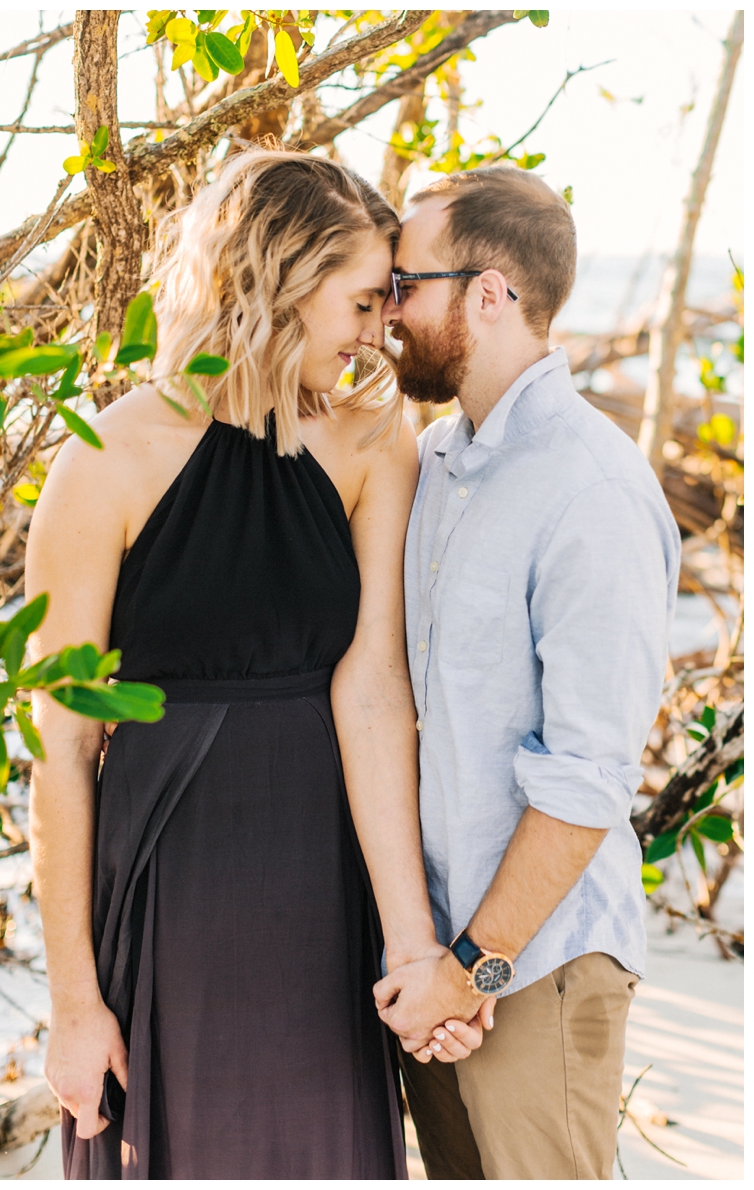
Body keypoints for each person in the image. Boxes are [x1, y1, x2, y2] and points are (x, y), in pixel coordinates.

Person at [25, 149, 482, 1181]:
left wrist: (410, 945)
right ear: (281, 274)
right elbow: (56, 747)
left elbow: (372, 693)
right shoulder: (106, 456)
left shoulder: (374, 441)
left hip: (320, 890)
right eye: (362, 300)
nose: (377, 331)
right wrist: (72, 1002)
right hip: (164, 888)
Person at [374, 165, 682, 1180]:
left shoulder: (588, 487)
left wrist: (475, 967)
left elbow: (586, 773)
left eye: (405, 284)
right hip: (435, 976)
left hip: (534, 968)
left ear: (489, 292)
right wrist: (430, 965)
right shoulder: (437, 461)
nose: (386, 310)